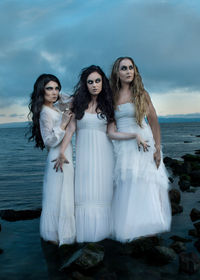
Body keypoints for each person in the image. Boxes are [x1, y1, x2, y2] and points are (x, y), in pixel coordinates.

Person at [53, 65, 149, 243]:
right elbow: (71, 129)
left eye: (97, 81)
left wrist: (134, 135)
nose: (94, 85)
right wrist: (61, 151)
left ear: (103, 83)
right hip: (84, 156)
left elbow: (112, 133)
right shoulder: (78, 104)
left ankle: (106, 235)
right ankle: (86, 235)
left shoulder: (108, 105)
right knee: (85, 193)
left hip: (105, 155)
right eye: (90, 82)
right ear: (85, 85)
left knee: (104, 193)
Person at [108, 57, 171, 242]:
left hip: (146, 141)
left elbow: (154, 122)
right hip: (124, 144)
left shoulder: (142, 93)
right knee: (128, 184)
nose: (128, 71)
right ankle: (131, 227)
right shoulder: (111, 96)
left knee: (147, 183)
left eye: (131, 68)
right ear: (117, 73)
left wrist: (158, 148)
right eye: (124, 68)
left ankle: (150, 226)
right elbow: (110, 127)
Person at [28, 74, 75, 246]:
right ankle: (55, 236)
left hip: (65, 154)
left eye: (56, 88)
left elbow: (72, 99)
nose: (54, 92)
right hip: (57, 157)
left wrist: (60, 97)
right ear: (41, 90)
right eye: (49, 88)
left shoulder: (55, 108)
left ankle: (65, 234)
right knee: (56, 195)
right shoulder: (45, 113)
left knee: (65, 194)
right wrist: (62, 124)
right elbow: (48, 141)